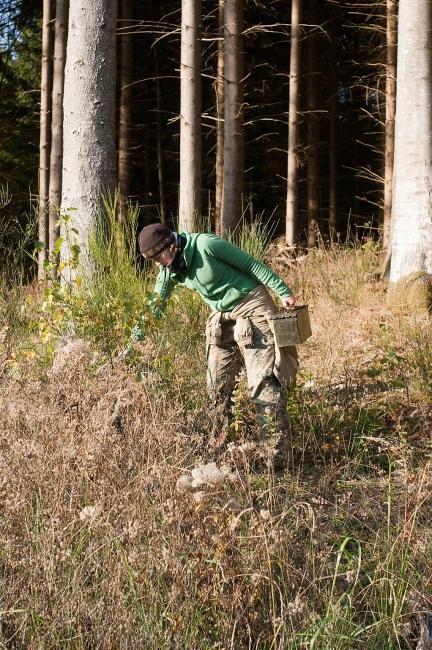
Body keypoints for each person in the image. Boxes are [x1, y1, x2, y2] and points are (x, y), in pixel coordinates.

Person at [137, 222, 298, 470]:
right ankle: (221, 450)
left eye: (160, 256)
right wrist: (135, 339)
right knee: (216, 388)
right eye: (154, 260)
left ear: (172, 245)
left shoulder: (206, 245)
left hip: (252, 307)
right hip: (222, 317)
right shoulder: (170, 269)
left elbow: (251, 265)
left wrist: (283, 291)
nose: (159, 263)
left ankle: (277, 458)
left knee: (262, 384)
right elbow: (155, 306)